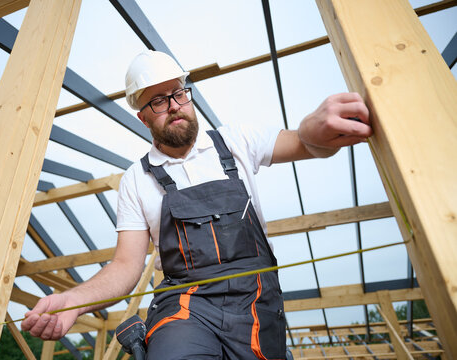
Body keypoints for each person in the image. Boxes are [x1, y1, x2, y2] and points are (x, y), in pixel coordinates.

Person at [21, 50, 372, 359]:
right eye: (158, 101)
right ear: (143, 118)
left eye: (178, 93)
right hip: (187, 306)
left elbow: (304, 143)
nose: (173, 105)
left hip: (255, 304)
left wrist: (311, 129)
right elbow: (126, 266)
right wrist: (74, 301)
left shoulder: (236, 141)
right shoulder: (136, 180)